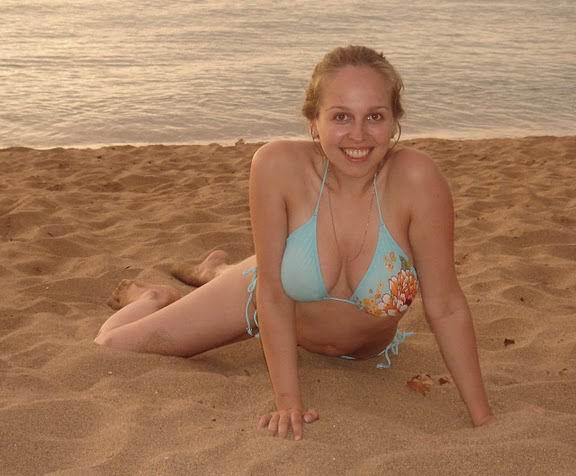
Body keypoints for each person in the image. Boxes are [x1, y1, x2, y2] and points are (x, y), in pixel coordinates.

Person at [94, 45, 494, 440]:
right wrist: (288, 402)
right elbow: (271, 290)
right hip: (261, 298)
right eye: (341, 116)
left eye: (374, 116)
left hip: (359, 346)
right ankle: (153, 298)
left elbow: (446, 305)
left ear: (394, 122)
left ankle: (215, 271)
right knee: (114, 344)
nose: (358, 134)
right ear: (313, 122)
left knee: (271, 269)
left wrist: (483, 418)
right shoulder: (278, 166)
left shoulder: (418, 181)